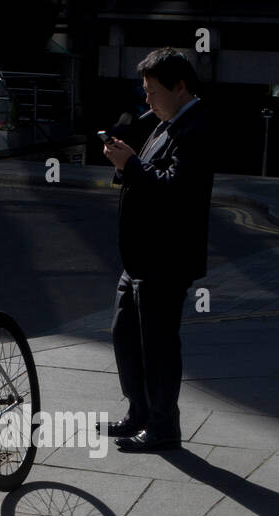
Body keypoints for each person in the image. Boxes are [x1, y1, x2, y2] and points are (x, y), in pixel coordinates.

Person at [100, 48, 214, 453]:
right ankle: (139, 412)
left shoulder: (195, 128)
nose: (146, 99)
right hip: (141, 258)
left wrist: (131, 167)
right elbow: (147, 175)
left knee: (158, 345)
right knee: (125, 335)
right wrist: (123, 165)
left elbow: (175, 191)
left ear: (179, 87)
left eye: (152, 91)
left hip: (166, 260)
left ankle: (164, 426)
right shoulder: (165, 123)